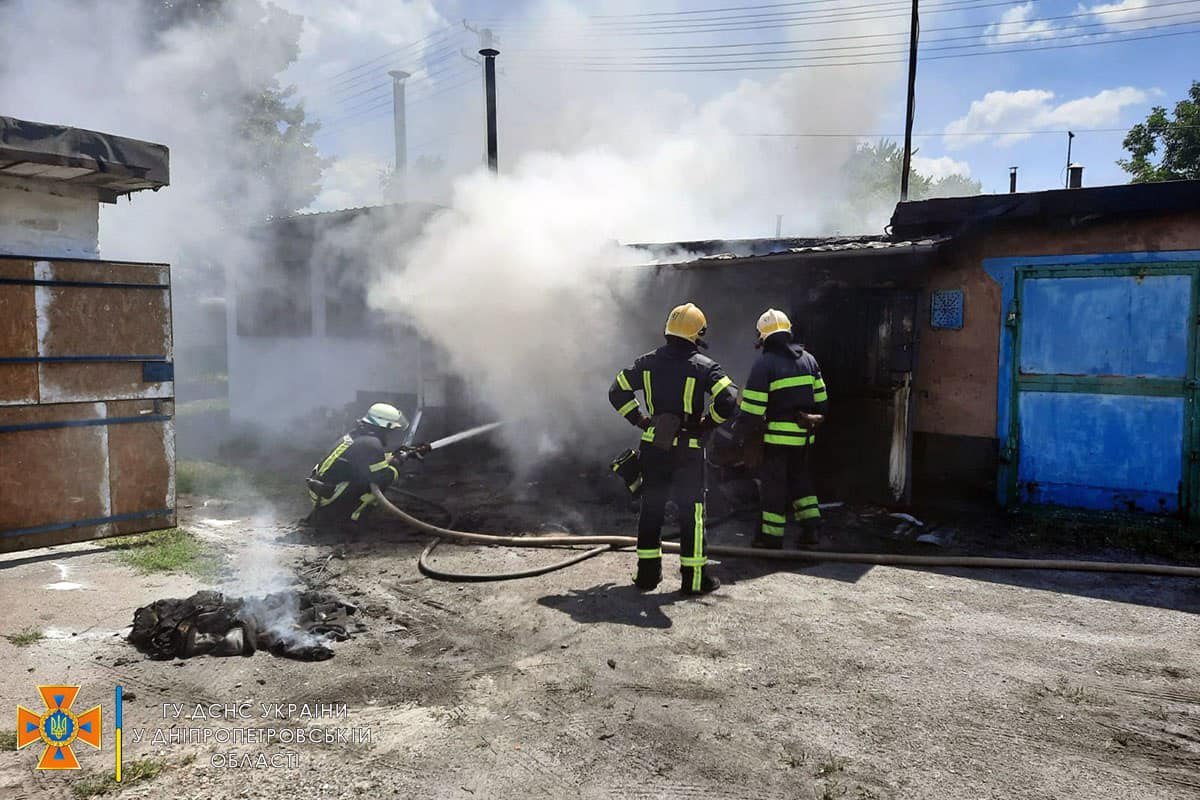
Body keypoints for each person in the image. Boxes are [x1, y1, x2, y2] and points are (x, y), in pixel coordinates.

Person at [608, 302, 738, 594]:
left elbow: (616, 391)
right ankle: (694, 581)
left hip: (654, 447)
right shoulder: (705, 367)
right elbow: (730, 399)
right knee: (691, 513)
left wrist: (639, 419)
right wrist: (706, 424)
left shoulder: (645, 363)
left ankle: (647, 577)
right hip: (688, 452)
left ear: (668, 329)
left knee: (651, 508)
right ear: (697, 333)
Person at [733, 309, 829, 549]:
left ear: (763, 338)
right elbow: (823, 401)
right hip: (804, 438)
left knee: (773, 488)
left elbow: (753, 410)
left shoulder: (764, 364)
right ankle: (812, 531)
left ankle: (771, 538)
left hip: (776, 439)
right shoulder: (809, 359)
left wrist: (739, 433)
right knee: (801, 482)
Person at [305, 403, 430, 527]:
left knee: (368, 477)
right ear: (384, 426)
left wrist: (401, 454)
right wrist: (398, 463)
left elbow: (368, 460)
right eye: (390, 430)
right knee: (372, 487)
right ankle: (345, 520)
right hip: (329, 496)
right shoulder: (370, 444)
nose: (390, 434)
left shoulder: (359, 436)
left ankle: (329, 515)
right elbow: (382, 477)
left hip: (323, 491)